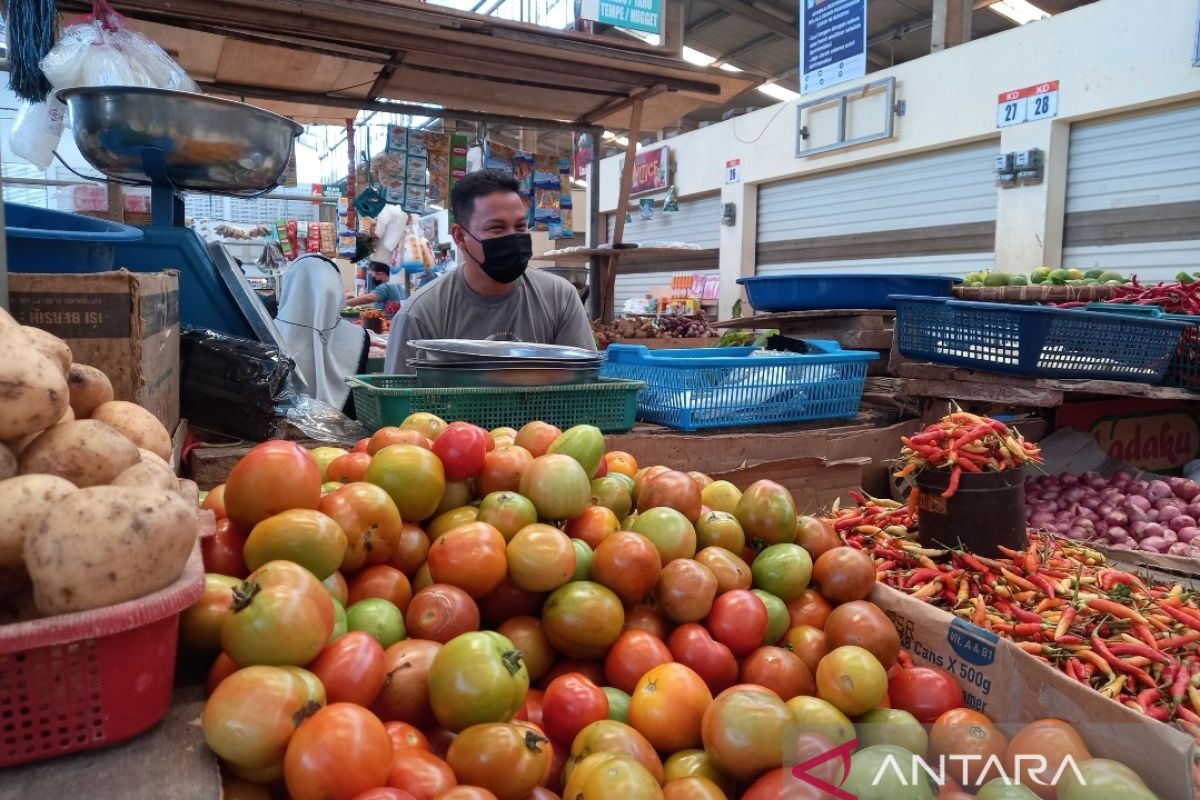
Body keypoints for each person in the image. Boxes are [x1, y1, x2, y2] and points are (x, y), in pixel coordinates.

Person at [384, 169, 595, 373]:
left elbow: (585, 387)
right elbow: (402, 405)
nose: (513, 238)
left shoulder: (560, 299)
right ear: (459, 237)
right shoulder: (419, 315)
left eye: (520, 227)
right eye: (497, 228)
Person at [275, 253, 369, 416]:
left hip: (277, 436)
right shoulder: (359, 337)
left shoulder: (268, 332)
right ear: (337, 290)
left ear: (289, 286)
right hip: (344, 435)